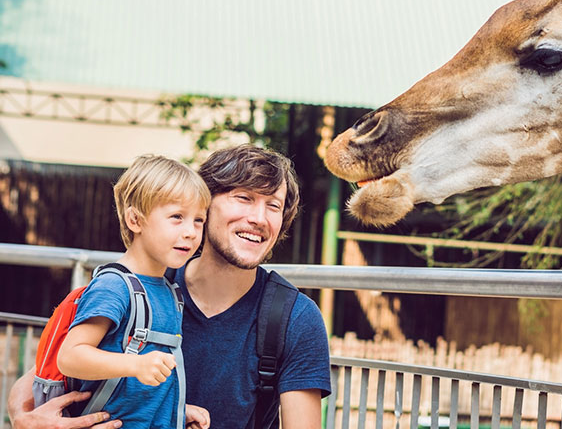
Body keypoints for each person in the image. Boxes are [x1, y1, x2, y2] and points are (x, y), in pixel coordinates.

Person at [8, 145, 332, 429]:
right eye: (243, 198)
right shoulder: (146, 283)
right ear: (205, 203)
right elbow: (52, 366)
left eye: (273, 206)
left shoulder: (295, 318)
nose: (259, 218)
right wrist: (25, 418)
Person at [54, 155, 212, 428]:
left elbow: (137, 390)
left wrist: (176, 409)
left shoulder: (168, 291)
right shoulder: (114, 286)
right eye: (177, 217)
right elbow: (70, 357)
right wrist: (135, 365)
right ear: (135, 220)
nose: (191, 232)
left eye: (198, 220)